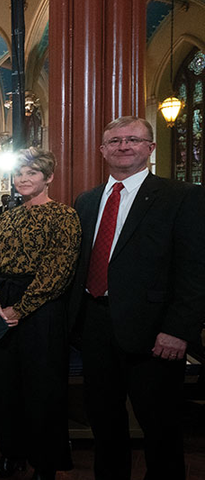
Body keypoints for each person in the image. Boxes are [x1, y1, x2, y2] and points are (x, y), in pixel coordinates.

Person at [70, 116, 205, 480]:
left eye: (133, 139)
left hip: (155, 334)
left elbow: (194, 271)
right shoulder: (87, 200)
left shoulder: (181, 197)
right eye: (114, 141)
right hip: (96, 327)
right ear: (102, 150)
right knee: (104, 422)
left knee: (160, 427)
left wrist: (178, 330)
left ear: (150, 147)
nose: (123, 146)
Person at [0, 147, 80, 480]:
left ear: (48, 178)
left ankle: (45, 463)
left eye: (32, 173)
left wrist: (20, 309)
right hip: (2, 302)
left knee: (43, 389)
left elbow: (58, 269)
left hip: (42, 308)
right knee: (6, 387)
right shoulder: (7, 217)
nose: (23, 179)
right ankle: (11, 454)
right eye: (19, 174)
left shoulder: (64, 215)